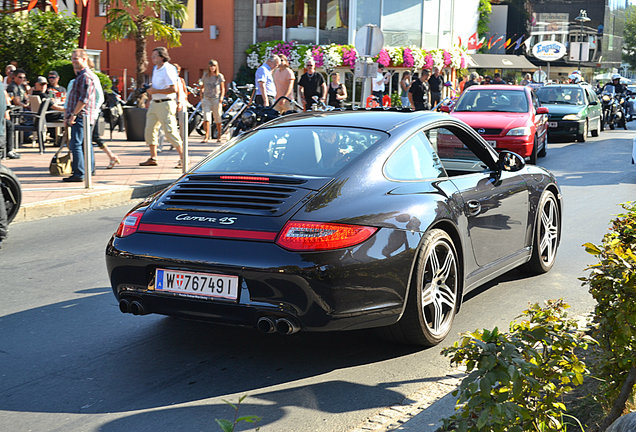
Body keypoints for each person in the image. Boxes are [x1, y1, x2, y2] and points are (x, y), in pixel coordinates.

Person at [139, 47, 184, 168]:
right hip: (155, 102)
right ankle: (153, 157)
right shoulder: (156, 68)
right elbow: (157, 86)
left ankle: (183, 158)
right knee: (150, 130)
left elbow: (173, 88)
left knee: (170, 132)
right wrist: (150, 93)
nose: (152, 58)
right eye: (152, 55)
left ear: (162, 56)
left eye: (155, 56)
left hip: (166, 103)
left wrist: (155, 91)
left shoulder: (168, 69)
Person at [63, 48, 98, 182]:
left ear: (84, 59)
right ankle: (87, 170)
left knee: (76, 144)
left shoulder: (85, 76)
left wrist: (73, 114)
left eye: (76, 58)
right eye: (72, 59)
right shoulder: (81, 76)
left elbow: (84, 99)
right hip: (80, 115)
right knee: (83, 143)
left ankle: (79, 173)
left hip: (82, 116)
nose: (73, 62)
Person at [200, 59, 226, 143]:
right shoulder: (205, 75)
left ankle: (219, 135)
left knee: (217, 118)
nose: (212, 68)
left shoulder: (219, 76)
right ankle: (206, 136)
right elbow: (202, 86)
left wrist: (221, 97)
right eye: (211, 66)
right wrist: (201, 96)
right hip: (207, 99)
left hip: (216, 99)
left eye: (214, 66)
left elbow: (223, 88)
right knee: (206, 118)